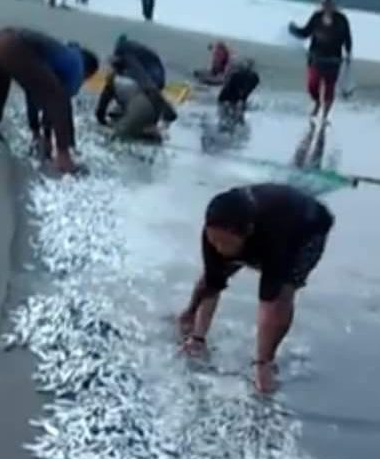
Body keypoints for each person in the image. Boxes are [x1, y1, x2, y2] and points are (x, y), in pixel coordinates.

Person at [178, 183, 335, 393]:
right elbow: (213, 283)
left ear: (247, 233)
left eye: (225, 243)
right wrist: (197, 336)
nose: (219, 248)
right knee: (213, 274)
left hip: (307, 228)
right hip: (253, 217)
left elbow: (269, 304)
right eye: (214, 241)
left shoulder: (274, 240)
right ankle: (189, 315)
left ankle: (267, 362)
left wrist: (261, 364)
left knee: (283, 293)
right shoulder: (214, 230)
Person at [0, 27, 99, 173]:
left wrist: (37, 133)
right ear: (88, 72)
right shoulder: (77, 67)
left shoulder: (63, 54)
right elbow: (58, 103)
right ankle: (64, 160)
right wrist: (53, 138)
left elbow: (33, 91)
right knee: (60, 99)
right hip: (13, 46)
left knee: (1, 85)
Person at [94, 45, 177, 141]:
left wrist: (102, 120)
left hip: (144, 105)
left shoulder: (115, 78)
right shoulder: (136, 78)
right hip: (152, 106)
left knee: (118, 136)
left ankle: (145, 130)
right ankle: (146, 129)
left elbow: (101, 108)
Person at [289, 0, 352, 121]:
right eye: (324, 3)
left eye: (329, 3)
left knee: (329, 87)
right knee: (312, 85)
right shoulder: (317, 17)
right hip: (316, 58)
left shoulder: (342, 20)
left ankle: (325, 115)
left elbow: (348, 38)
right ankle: (317, 103)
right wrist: (294, 30)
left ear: (334, 5)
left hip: (333, 60)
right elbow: (305, 32)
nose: (327, 6)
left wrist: (348, 54)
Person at [217, 58, 260, 127]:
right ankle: (225, 127)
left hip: (235, 99)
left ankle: (236, 126)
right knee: (226, 117)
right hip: (226, 98)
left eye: (251, 66)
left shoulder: (255, 78)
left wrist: (242, 100)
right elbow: (229, 89)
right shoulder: (237, 76)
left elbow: (248, 91)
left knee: (238, 118)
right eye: (248, 66)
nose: (249, 69)